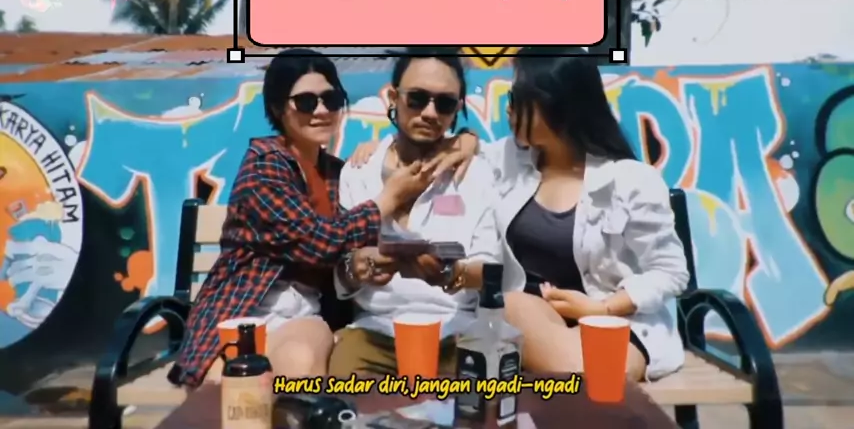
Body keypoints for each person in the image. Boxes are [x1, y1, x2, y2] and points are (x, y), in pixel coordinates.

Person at [349, 47, 690, 381]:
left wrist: (601, 308)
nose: (507, 109)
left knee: (602, 374)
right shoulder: (508, 161)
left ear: (554, 105)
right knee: (514, 309)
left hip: (613, 319)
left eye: (516, 99)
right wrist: (460, 140)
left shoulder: (629, 180)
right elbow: (463, 146)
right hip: (530, 320)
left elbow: (671, 271)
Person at [168, 49, 438, 388]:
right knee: (225, 393)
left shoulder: (337, 173)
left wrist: (382, 149)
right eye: (306, 102)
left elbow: (361, 232)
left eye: (331, 99)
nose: (322, 111)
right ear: (279, 108)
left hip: (301, 319)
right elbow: (322, 242)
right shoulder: (263, 167)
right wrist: (388, 199)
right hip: (239, 314)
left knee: (299, 366)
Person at [327, 49, 514, 377]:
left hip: (456, 332)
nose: (429, 113)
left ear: (457, 109)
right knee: (348, 397)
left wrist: (450, 273)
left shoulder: (476, 173)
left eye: (444, 103)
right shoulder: (359, 171)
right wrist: (358, 267)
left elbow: (491, 270)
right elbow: (340, 276)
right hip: (374, 332)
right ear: (394, 98)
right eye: (417, 98)